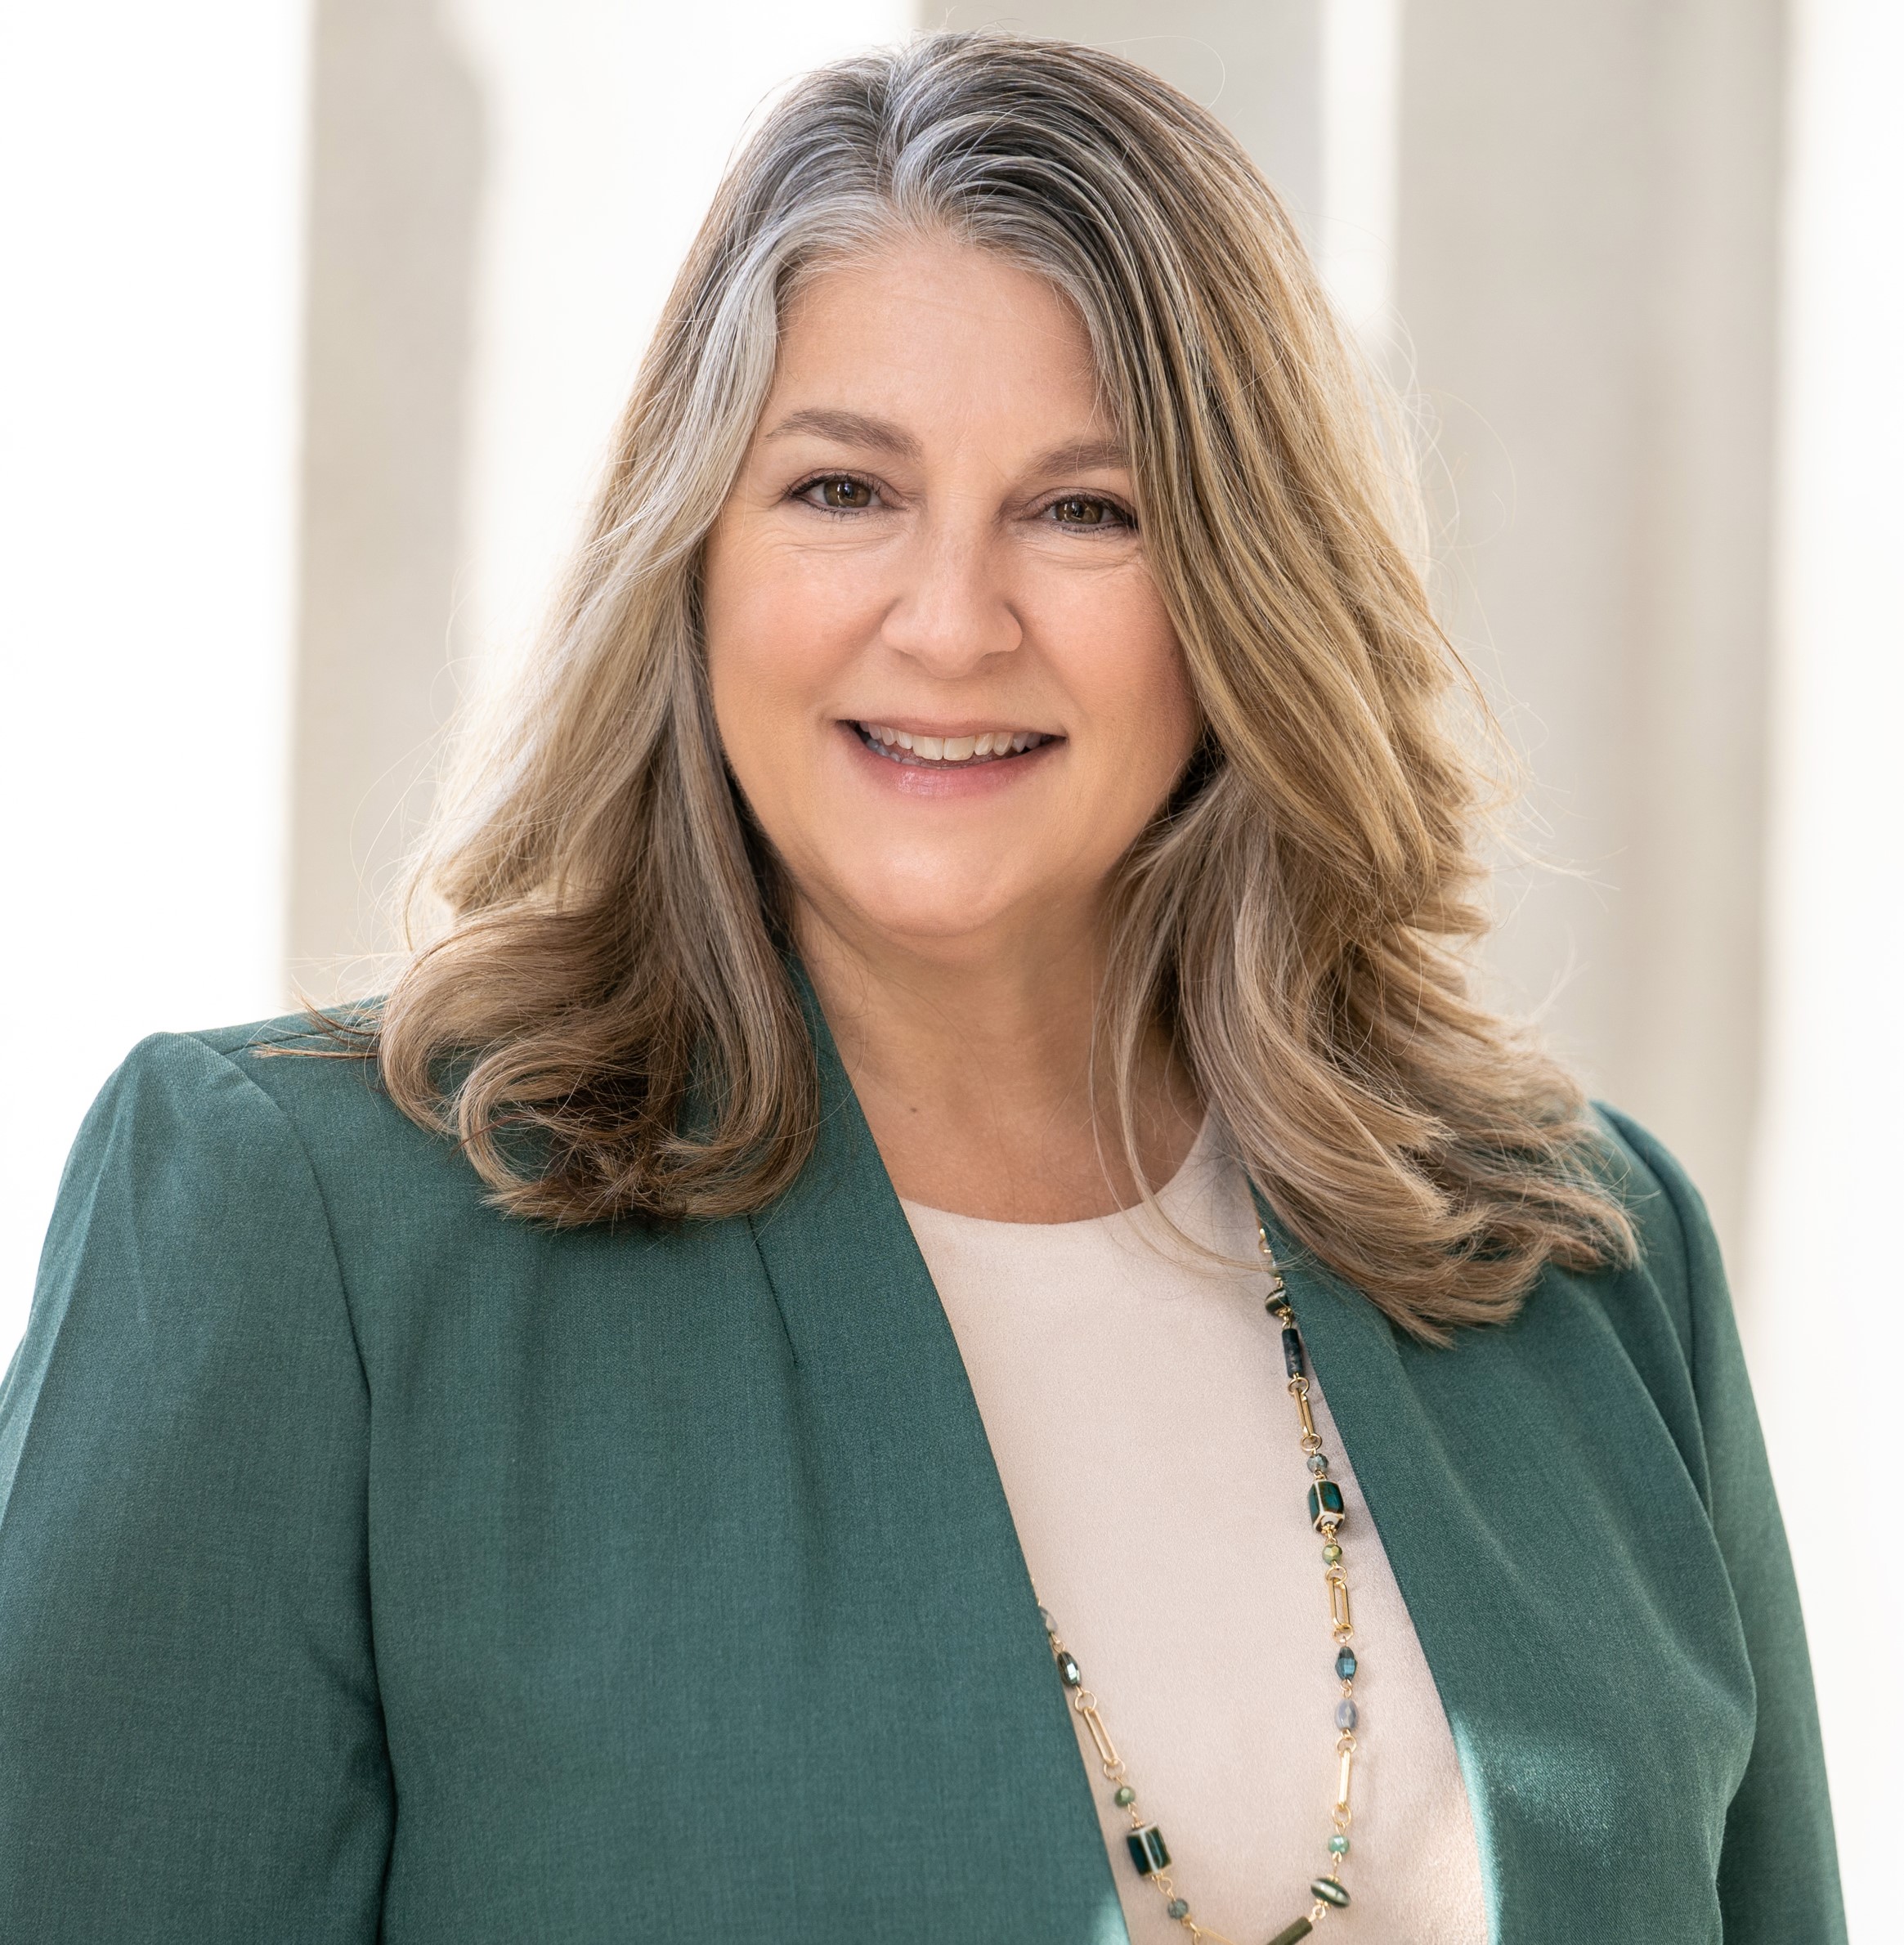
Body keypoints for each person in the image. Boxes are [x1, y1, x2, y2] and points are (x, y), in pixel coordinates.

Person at [0, 30, 1842, 1945]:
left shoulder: (1585, 1268)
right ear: (691, 548)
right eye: (840, 489)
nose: (952, 617)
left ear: (1240, 591)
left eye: (1086, 509)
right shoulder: (300, 1235)